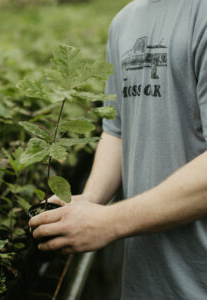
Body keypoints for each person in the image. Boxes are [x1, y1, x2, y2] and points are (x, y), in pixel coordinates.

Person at [29, 0, 207, 298]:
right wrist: (89, 201)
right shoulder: (125, 20)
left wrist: (110, 221)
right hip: (145, 279)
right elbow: (117, 130)